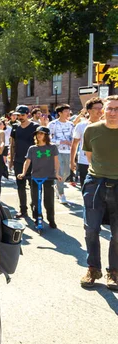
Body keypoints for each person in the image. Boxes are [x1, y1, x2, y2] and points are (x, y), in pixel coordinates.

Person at [80, 95, 118, 291]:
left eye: (117, 109)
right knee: (91, 229)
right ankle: (93, 269)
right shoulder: (92, 130)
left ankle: (114, 272)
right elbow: (90, 157)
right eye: (110, 108)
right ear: (103, 110)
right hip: (96, 183)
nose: (113, 112)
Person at [17, 126, 61, 227]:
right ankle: (37, 218)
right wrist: (23, 173)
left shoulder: (52, 147)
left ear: (46, 136)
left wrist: (57, 174)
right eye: (37, 134)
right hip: (35, 177)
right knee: (36, 200)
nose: (39, 135)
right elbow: (27, 162)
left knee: (48, 200)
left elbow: (56, 162)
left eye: (41, 133)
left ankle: (51, 219)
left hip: (48, 177)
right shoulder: (33, 148)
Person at [10, 105, 39, 219]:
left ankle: (35, 208)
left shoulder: (35, 127)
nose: (20, 117)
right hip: (18, 160)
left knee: (33, 186)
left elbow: (40, 144)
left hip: (33, 161)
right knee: (20, 186)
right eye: (18, 115)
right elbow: (13, 144)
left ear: (28, 114)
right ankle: (23, 209)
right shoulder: (15, 127)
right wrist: (11, 160)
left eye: (22, 115)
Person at [71, 98, 104, 187]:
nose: (100, 110)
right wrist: (72, 162)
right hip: (84, 162)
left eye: (101, 108)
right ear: (89, 110)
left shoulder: (106, 125)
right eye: (96, 108)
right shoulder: (81, 126)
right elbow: (74, 144)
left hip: (102, 164)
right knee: (87, 190)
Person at [48, 104, 73, 204]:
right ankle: (61, 194)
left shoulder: (71, 124)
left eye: (68, 111)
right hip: (56, 151)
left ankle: (57, 186)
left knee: (67, 172)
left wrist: (72, 143)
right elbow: (48, 138)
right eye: (66, 111)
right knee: (60, 172)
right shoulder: (52, 124)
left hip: (68, 151)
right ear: (60, 113)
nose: (68, 113)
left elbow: (73, 136)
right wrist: (60, 142)